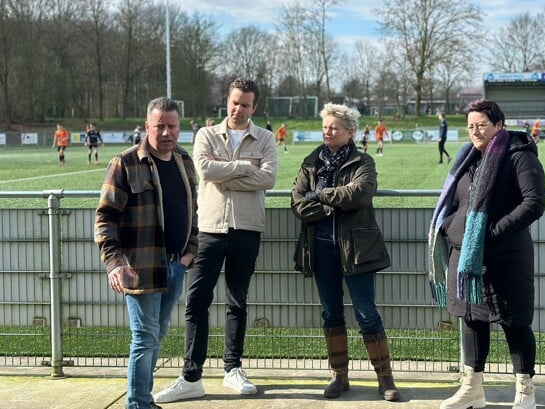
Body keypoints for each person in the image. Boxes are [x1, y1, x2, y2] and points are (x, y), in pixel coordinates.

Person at [153, 78, 278, 404]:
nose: (238, 109)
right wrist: (243, 168)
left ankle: (232, 369)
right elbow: (206, 171)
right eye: (234, 102)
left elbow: (269, 178)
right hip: (209, 229)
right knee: (196, 302)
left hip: (248, 228)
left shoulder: (265, 138)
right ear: (227, 101)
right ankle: (191, 376)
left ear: (255, 107)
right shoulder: (206, 134)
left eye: (246, 104)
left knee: (238, 301)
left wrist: (228, 176)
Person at [428, 99, 545, 409]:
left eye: (481, 125)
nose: (475, 131)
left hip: (505, 258)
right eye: (470, 126)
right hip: (465, 257)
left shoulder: (519, 156)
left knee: (514, 321)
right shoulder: (467, 159)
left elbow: (533, 203)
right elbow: (456, 202)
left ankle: (524, 391)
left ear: (499, 125)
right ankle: (472, 390)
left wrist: (491, 234)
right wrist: (450, 226)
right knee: (471, 319)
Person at [291, 103, 400, 402]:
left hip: (357, 251)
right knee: (331, 314)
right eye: (325, 126)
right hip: (320, 251)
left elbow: (359, 194)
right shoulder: (311, 162)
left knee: (367, 315)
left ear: (350, 132)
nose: (328, 131)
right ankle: (339, 377)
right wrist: (332, 203)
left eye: (334, 127)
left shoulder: (363, 161)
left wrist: (321, 195)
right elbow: (299, 203)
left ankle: (385, 379)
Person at [95, 97, 199, 409]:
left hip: (175, 267)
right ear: (147, 126)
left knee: (158, 334)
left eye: (172, 126)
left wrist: (188, 255)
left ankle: (144, 401)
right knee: (144, 338)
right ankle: (138, 403)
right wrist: (114, 262)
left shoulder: (184, 160)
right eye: (160, 126)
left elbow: (194, 210)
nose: (167, 132)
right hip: (139, 268)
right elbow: (105, 218)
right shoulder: (125, 163)